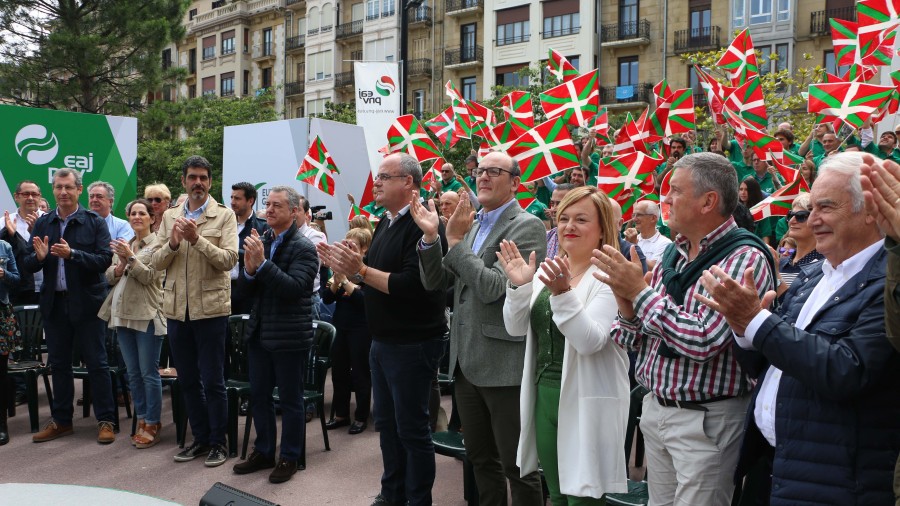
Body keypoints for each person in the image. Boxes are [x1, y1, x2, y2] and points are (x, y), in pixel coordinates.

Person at [697, 152, 900, 505]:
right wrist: (743, 331)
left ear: (871, 210)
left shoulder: (889, 284)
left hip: (836, 480)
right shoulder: (812, 276)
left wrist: (757, 322)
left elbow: (846, 370)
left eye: (825, 207)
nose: (810, 220)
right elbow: (768, 366)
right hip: (775, 467)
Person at [592, 152, 776, 505]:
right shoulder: (673, 255)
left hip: (706, 420)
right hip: (658, 409)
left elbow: (703, 341)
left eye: (675, 190)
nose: (666, 199)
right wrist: (627, 306)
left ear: (708, 201)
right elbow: (630, 339)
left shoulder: (744, 257)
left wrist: (639, 292)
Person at [414, 151, 547, 506]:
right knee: (479, 460)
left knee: (518, 467)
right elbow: (436, 282)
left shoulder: (526, 225)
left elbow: (495, 289)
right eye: (481, 170)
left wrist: (455, 243)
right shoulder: (470, 224)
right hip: (465, 363)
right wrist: (432, 239)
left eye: (494, 171)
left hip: (502, 364)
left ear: (515, 182)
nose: (483, 176)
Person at [316, 153, 447, 506]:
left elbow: (412, 286)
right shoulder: (386, 223)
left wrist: (360, 270)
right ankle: (392, 494)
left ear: (408, 182)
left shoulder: (426, 224)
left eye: (384, 177)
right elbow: (371, 281)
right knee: (387, 428)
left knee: (412, 431)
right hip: (383, 342)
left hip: (412, 343)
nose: (376, 183)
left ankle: (417, 500)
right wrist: (346, 268)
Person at [498, 186, 629, 504]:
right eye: (565, 217)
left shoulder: (610, 276)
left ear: (601, 231)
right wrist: (519, 285)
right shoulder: (547, 269)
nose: (569, 226)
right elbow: (515, 328)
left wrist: (562, 294)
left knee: (583, 497)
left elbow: (590, 341)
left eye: (581, 219)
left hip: (586, 397)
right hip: (544, 394)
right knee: (555, 494)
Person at [152, 155, 238, 467]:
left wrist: (196, 239)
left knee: (213, 381)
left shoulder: (224, 216)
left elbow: (229, 260)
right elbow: (155, 262)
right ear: (184, 181)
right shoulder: (169, 216)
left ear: (210, 182)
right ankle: (200, 440)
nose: (198, 183)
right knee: (187, 380)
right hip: (177, 311)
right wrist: (173, 243)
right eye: (192, 177)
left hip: (211, 311)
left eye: (203, 177)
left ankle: (219, 442)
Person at [231, 186, 319, 484]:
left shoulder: (305, 248)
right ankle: (265, 450)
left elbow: (294, 289)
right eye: (267, 204)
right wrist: (250, 270)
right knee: (259, 396)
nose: (268, 210)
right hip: (260, 333)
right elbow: (245, 291)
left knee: (291, 401)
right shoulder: (264, 239)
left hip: (289, 337)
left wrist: (263, 265)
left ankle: (289, 456)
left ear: (294, 212)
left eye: (276, 206)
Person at [23, 168, 116, 444]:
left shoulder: (94, 222)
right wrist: (39, 258)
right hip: (54, 305)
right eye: (58, 187)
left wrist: (73, 254)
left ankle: (106, 420)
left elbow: (103, 261)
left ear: (79, 190)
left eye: (68, 187)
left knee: (97, 364)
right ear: (53, 190)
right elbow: (27, 264)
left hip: (87, 305)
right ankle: (62, 421)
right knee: (59, 365)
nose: (62, 192)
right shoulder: (43, 223)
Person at [98, 199, 166, 449]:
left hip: (147, 314)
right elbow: (108, 276)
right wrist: (121, 263)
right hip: (122, 314)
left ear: (152, 218)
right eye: (133, 213)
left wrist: (131, 258)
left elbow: (150, 277)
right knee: (133, 374)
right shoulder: (127, 244)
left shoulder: (159, 244)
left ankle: (153, 422)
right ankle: (143, 418)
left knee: (149, 373)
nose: (137, 216)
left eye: (142, 213)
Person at [323, 227, 373, 435]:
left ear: (364, 249)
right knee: (339, 372)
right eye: (345, 245)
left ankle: (361, 417)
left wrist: (344, 281)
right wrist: (336, 281)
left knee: (361, 373)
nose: (347, 250)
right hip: (341, 327)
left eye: (352, 246)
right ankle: (342, 414)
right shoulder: (341, 267)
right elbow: (327, 298)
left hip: (361, 328)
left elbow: (363, 302)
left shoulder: (368, 270)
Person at [1, 180, 44, 305]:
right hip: (15, 289)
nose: (30, 198)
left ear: (40, 196)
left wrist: (38, 231)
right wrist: (9, 235)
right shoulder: (5, 222)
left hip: (46, 286)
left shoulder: (50, 221)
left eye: (34, 194)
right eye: (25, 194)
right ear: (16, 197)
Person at [230, 182, 268, 315]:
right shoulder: (223, 225)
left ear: (250, 200)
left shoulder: (263, 228)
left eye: (237, 198)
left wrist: (231, 253)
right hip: (222, 292)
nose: (233, 202)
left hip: (249, 295)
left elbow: (261, 259)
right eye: (232, 197)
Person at [777, 194, 823, 289]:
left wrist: (775, 275)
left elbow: (795, 302)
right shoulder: (782, 262)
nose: (791, 221)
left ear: (817, 221)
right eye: (790, 215)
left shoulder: (824, 265)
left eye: (801, 216)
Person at [0, 237, 21, 445]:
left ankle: (2, 424)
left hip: (1, 313)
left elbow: (17, 279)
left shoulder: (4, 246)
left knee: (1, 372)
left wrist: (4, 274)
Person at [624, 200, 672, 268]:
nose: (634, 219)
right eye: (633, 215)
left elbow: (653, 268)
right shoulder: (630, 239)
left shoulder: (665, 243)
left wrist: (633, 246)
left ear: (653, 218)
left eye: (639, 215)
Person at [545, 184, 575, 259]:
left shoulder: (580, 239)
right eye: (552, 204)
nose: (553, 209)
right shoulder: (546, 236)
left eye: (560, 204)